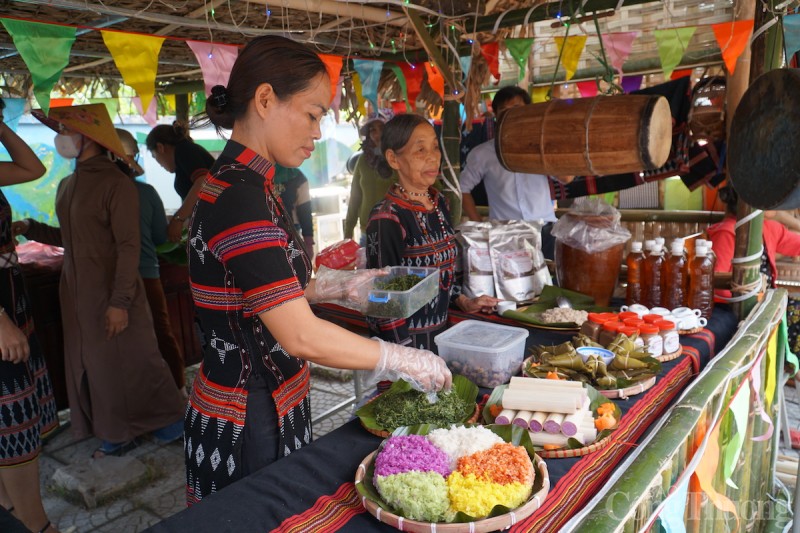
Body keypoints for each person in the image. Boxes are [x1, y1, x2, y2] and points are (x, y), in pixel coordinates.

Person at [184, 35, 451, 505]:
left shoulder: (252, 183)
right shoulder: (239, 198)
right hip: (248, 414)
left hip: (270, 399)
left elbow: (263, 288)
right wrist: (398, 358)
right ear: (265, 99)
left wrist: (338, 285)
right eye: (312, 114)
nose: (317, 132)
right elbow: (300, 336)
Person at [13, 104, 185, 459]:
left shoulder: (116, 183)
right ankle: (117, 431)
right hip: (80, 295)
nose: (61, 139)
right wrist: (31, 228)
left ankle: (168, 423)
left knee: (137, 361)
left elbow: (128, 246)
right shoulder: (67, 185)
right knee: (99, 366)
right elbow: (72, 237)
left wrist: (120, 302)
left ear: (87, 138)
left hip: (114, 292)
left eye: (66, 131)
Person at [365, 113, 500, 353]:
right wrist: (406, 356)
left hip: (442, 337)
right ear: (393, 159)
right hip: (406, 349)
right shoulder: (387, 217)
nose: (432, 157)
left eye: (435, 147)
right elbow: (383, 298)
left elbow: (445, 275)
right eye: (420, 150)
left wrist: (464, 300)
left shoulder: (440, 204)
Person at [0, 99, 60, 533]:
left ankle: (17, 516)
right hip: (2, 316)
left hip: (12, 302)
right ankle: (36, 525)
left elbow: (32, 168)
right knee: (12, 422)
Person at [460, 86, 574, 260]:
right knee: (511, 286)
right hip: (505, 235)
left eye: (517, 110)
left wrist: (551, 146)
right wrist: (479, 224)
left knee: (551, 284)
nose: (511, 115)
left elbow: (567, 178)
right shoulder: (482, 153)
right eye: (505, 111)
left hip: (545, 231)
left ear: (528, 112)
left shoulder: (540, 147)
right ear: (496, 115)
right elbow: (462, 188)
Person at [115, 128, 186, 393]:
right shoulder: (145, 193)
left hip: (109, 282)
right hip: (146, 275)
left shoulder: (83, 191)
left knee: (123, 346)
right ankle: (177, 391)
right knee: (160, 335)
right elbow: (160, 237)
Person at [707, 184, 800, 352]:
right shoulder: (727, 232)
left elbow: (797, 244)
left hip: (763, 303)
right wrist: (749, 296)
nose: (777, 207)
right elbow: (713, 282)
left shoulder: (769, 227)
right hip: (736, 307)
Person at [145, 122, 215, 242]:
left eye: (154, 156)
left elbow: (203, 181)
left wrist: (178, 219)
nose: (159, 164)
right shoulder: (182, 156)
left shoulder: (184, 149)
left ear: (160, 148)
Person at [343, 118, 395, 243]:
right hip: (368, 231)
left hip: (395, 229)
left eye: (381, 129)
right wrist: (348, 235)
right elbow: (355, 198)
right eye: (372, 130)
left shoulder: (398, 158)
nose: (377, 134)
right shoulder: (362, 161)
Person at [273, 164, 314, 260]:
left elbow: (305, 210)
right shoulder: (297, 176)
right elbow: (305, 210)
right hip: (272, 233)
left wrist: (308, 241)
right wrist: (308, 242)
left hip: (290, 233)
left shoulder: (298, 177)